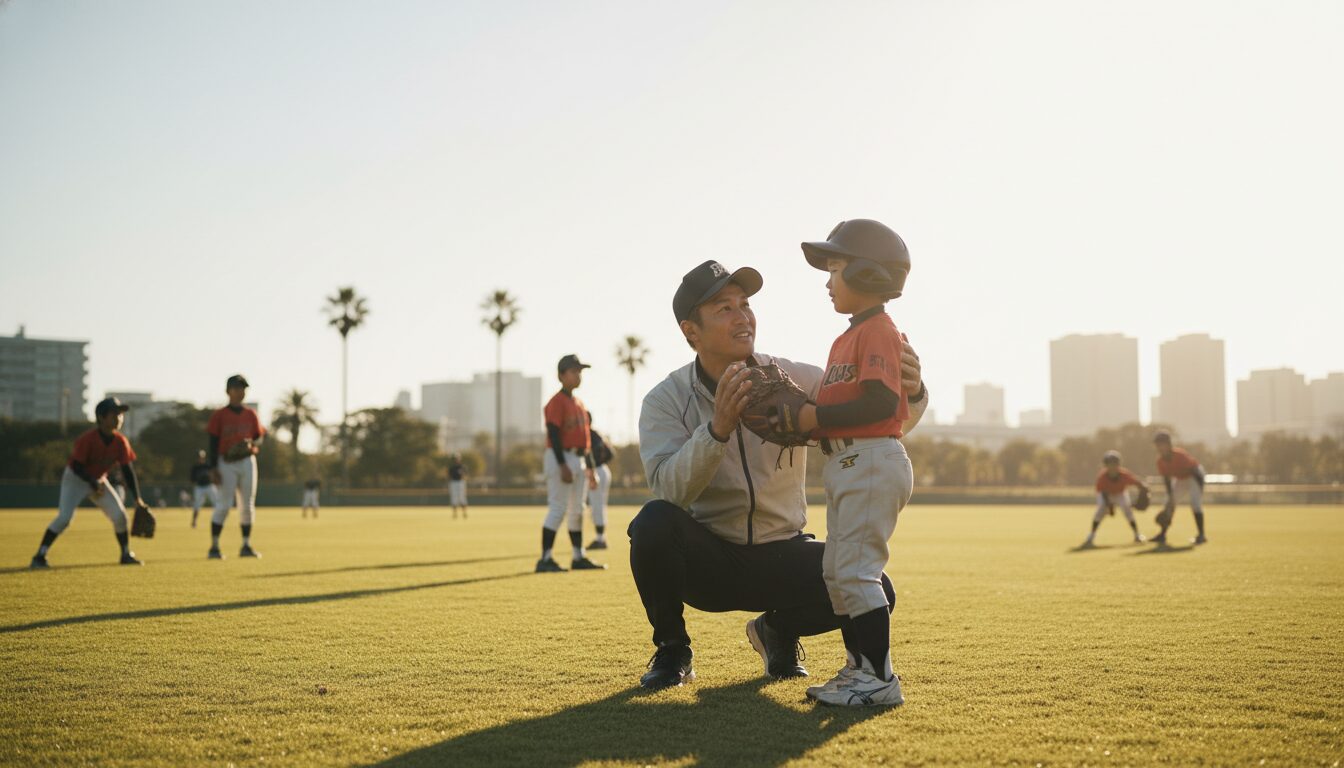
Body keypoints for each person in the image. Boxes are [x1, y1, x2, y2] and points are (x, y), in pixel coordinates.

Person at [632, 257, 928, 694]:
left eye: (745, 303)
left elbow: (880, 421)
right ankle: (673, 650)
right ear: (690, 331)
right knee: (653, 523)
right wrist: (716, 430)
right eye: (724, 308)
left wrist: (914, 389)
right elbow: (669, 489)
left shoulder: (796, 378)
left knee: (877, 589)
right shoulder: (664, 399)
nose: (742, 316)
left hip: (783, 554)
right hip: (711, 560)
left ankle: (776, 630)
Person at [29, 397, 145, 568]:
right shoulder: (88, 439)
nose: (119, 418)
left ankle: (126, 554)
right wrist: (92, 482)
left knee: (120, 516)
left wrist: (138, 499)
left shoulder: (121, 442)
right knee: (64, 518)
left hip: (98, 479)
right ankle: (40, 555)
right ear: (101, 417)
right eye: (114, 414)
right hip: (75, 479)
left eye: (120, 415)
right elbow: (76, 465)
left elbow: (127, 470)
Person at [537, 354, 605, 573]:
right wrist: (562, 465)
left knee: (578, 510)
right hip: (561, 457)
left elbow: (585, 441)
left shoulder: (578, 403)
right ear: (561, 375)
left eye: (580, 371)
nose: (578, 375)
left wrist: (591, 468)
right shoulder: (556, 402)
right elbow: (554, 435)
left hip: (577, 458)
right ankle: (545, 559)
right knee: (558, 508)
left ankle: (578, 557)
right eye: (574, 371)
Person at [206, 374, 266, 559]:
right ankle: (214, 547)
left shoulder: (251, 414)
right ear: (228, 391)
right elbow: (212, 442)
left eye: (243, 388)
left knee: (247, 505)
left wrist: (253, 443)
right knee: (224, 504)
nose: (240, 391)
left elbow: (260, 437)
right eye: (237, 388)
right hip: (226, 462)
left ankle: (246, 545)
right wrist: (213, 467)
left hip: (247, 460)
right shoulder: (219, 415)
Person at [1150, 431, 1208, 545]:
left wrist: (1200, 489)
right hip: (1180, 479)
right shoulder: (1160, 462)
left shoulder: (1180, 455)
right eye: (1157, 444)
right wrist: (1170, 497)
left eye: (1162, 444)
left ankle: (1201, 535)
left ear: (1168, 444)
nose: (1159, 447)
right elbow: (1167, 481)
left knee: (1195, 504)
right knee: (1169, 504)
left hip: (1194, 476)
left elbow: (1196, 471)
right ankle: (1162, 535)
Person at [1083, 450, 1148, 547]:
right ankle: (1091, 536)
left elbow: (1139, 484)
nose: (1113, 466)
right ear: (1106, 465)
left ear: (1119, 464)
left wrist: (1145, 490)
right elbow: (1104, 495)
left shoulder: (1124, 474)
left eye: (1115, 463)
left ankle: (1137, 535)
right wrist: (1110, 507)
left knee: (1127, 510)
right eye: (1110, 464)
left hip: (1120, 493)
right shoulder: (1102, 477)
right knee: (1100, 511)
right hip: (1106, 495)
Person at [585, 411, 614, 550]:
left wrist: (594, 465)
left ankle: (600, 539)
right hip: (602, 470)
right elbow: (611, 454)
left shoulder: (589, 434)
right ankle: (600, 538)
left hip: (596, 471)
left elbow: (600, 453)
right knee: (598, 504)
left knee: (597, 505)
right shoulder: (597, 433)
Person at [189, 449, 218, 528]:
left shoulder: (208, 466)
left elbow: (214, 475)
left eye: (202, 457)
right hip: (200, 487)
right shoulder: (195, 468)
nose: (200, 458)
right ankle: (194, 522)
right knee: (197, 505)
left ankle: (217, 521)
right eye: (199, 457)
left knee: (217, 503)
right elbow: (192, 480)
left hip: (209, 486)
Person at [447, 453, 468, 519]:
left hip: (461, 482)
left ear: (460, 459)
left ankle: (464, 513)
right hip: (453, 482)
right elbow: (449, 476)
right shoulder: (452, 468)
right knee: (454, 498)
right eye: (456, 458)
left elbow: (466, 474)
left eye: (458, 458)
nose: (457, 460)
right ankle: (455, 513)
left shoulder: (462, 467)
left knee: (462, 497)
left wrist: (463, 477)